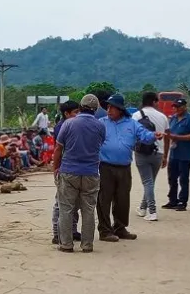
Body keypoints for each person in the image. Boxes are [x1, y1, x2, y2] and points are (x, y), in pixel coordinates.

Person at [96, 93, 156, 242]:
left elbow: (145, 136)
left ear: (120, 109)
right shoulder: (101, 123)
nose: (109, 110)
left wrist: (155, 135)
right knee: (104, 199)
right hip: (105, 166)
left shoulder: (132, 124)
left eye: (112, 107)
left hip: (124, 167)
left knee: (123, 199)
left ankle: (120, 228)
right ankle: (105, 230)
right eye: (108, 107)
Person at [54, 94, 106, 253]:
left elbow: (58, 149)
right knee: (88, 209)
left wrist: (56, 168)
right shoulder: (100, 126)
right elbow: (100, 144)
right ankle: (87, 245)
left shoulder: (69, 123)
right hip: (91, 172)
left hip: (69, 171)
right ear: (96, 109)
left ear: (81, 106)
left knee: (66, 209)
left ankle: (66, 244)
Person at [132, 91, 169, 221]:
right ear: (154, 102)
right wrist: (165, 155)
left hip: (141, 153)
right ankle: (143, 208)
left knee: (148, 182)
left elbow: (131, 135)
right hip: (158, 153)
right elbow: (167, 137)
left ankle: (152, 211)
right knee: (150, 182)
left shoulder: (135, 116)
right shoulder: (163, 117)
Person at [51, 100, 81, 245]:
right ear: (66, 113)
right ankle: (57, 233)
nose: (78, 115)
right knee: (61, 202)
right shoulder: (62, 127)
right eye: (75, 112)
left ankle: (72, 230)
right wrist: (56, 168)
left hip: (72, 168)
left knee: (74, 202)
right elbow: (58, 149)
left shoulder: (72, 124)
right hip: (64, 167)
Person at [164, 98, 190, 211]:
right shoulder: (173, 119)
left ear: (185, 107)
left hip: (185, 154)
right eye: (175, 107)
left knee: (183, 179)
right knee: (172, 178)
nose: (176, 109)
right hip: (173, 153)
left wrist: (177, 137)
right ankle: (172, 200)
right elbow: (168, 133)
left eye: (179, 107)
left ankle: (182, 201)